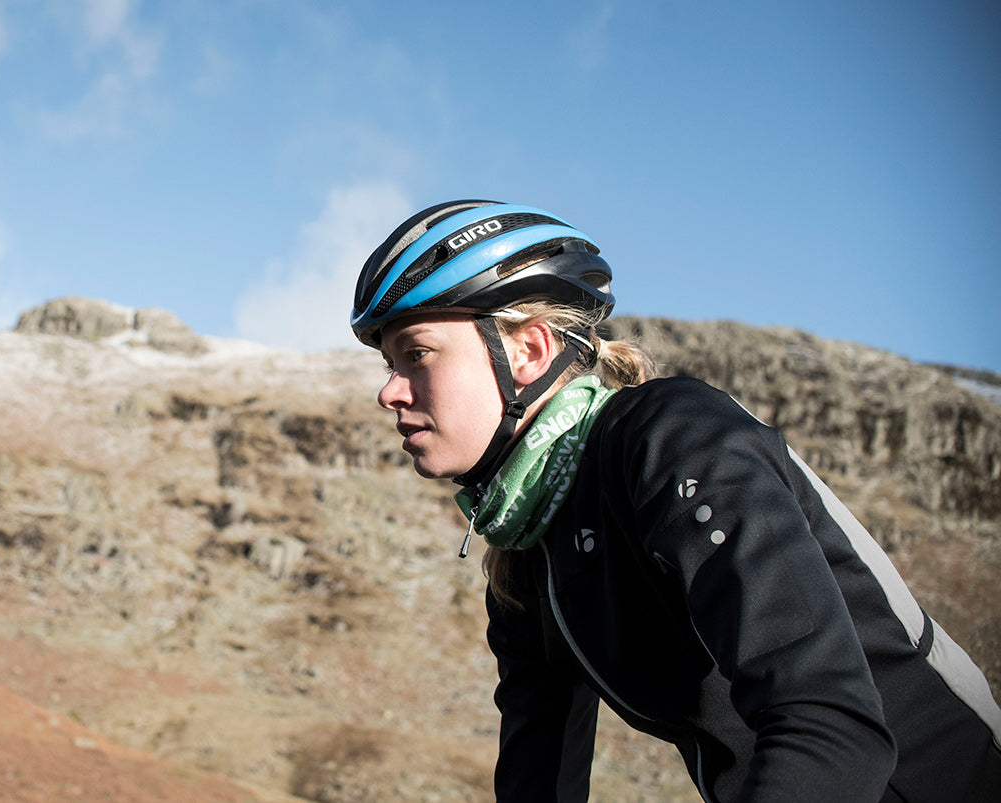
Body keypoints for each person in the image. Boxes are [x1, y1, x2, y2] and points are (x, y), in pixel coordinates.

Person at [350, 199, 1001, 802]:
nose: (390, 392)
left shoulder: (673, 439)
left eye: (417, 354)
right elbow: (537, 778)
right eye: (389, 363)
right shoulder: (523, 555)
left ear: (528, 350)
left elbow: (832, 725)